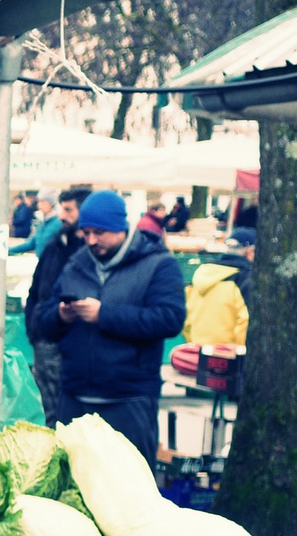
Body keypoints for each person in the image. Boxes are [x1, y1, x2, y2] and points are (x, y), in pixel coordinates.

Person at [30, 189, 186, 461]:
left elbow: (169, 319)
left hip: (129, 401)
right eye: (86, 232)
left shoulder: (159, 264)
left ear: (120, 227)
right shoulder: (76, 265)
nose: (91, 240)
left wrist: (105, 315)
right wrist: (60, 316)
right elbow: (44, 321)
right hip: (75, 399)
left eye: (99, 232)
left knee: (128, 490)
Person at [24, 187, 85, 422]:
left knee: (67, 416)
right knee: (49, 412)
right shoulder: (56, 243)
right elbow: (36, 286)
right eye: (62, 209)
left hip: (69, 342)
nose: (62, 216)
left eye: (69, 210)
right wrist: (34, 325)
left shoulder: (86, 251)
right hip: (45, 338)